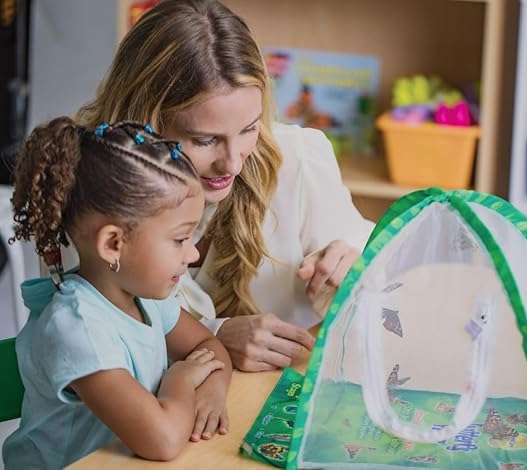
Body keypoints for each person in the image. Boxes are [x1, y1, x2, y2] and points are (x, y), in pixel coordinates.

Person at [76, 0, 375, 372]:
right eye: (205, 140)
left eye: (249, 128)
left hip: (279, 396)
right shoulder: (86, 189)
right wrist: (212, 336)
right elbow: (87, 335)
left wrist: (354, 270)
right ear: (144, 122)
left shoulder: (299, 159)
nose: (233, 163)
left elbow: (380, 283)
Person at [2, 118, 233, 469]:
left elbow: (208, 346)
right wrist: (181, 382)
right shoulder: (77, 327)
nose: (192, 253)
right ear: (113, 244)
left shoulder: (143, 298)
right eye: (179, 239)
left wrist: (213, 389)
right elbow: (163, 440)